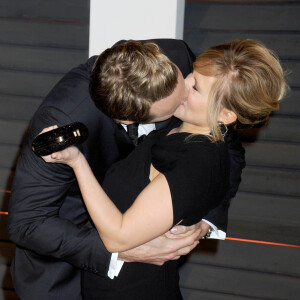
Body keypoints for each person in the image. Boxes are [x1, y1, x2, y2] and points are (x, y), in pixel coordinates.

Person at [41, 39, 288, 299]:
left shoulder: (196, 161)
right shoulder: (181, 128)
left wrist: (76, 162)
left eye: (196, 88)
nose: (181, 88)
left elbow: (117, 237)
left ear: (225, 115)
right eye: (191, 74)